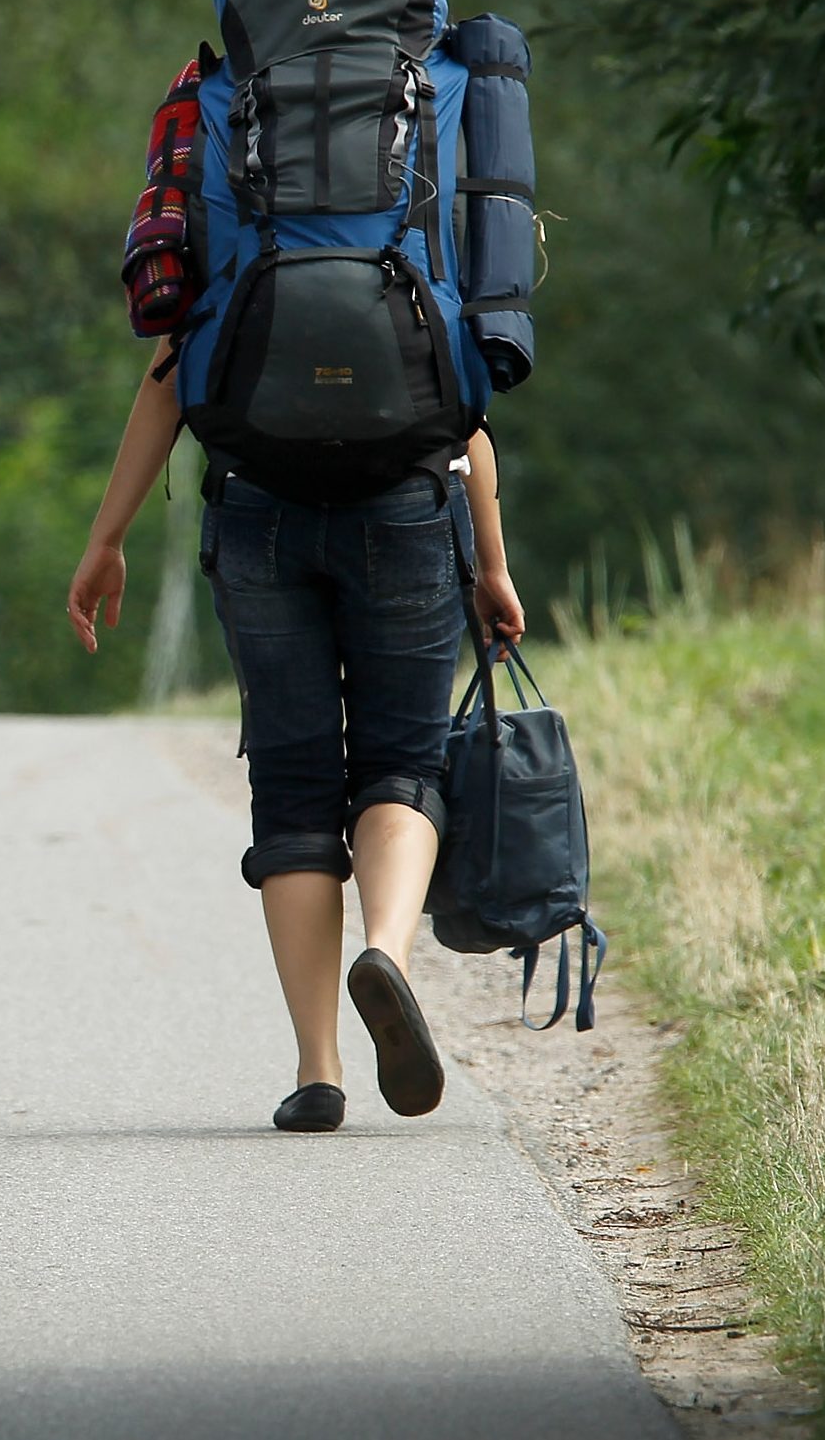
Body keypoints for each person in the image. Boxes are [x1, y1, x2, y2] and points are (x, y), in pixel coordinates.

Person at [67, 379, 526, 1134]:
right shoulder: (434, 250)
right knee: (402, 766)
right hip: (409, 503)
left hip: (256, 508)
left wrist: (105, 539)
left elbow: (163, 386)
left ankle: (318, 1070)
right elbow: (466, 401)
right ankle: (386, 954)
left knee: (291, 787)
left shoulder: (212, 248)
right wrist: (492, 563)